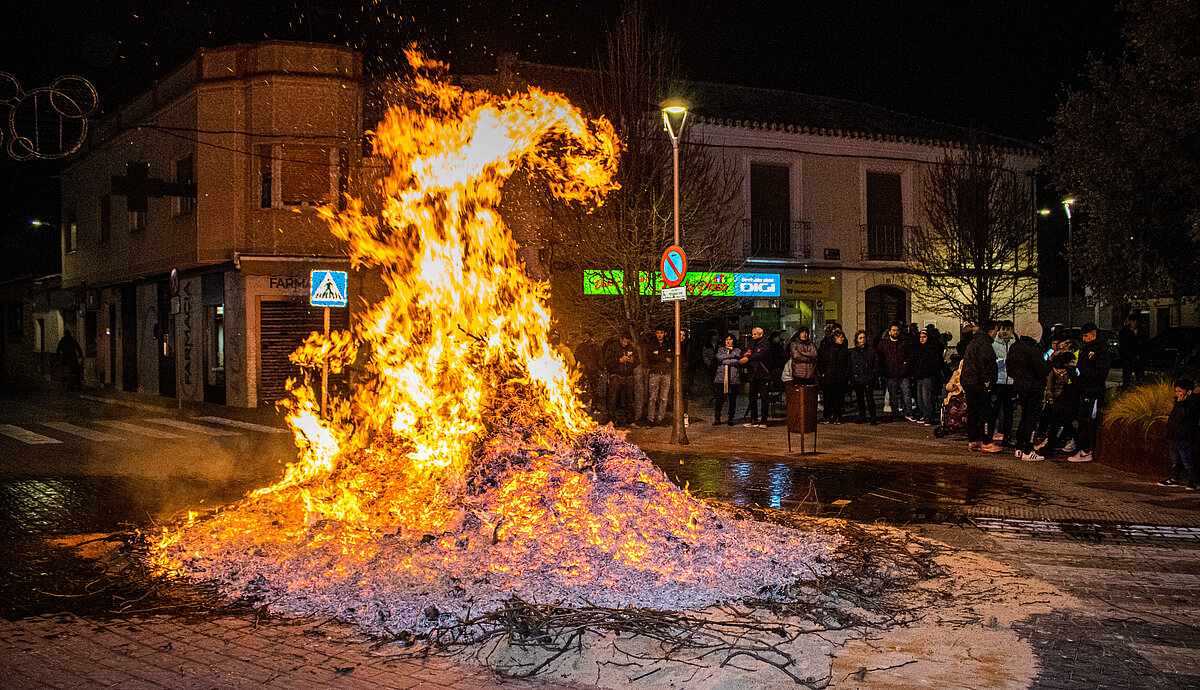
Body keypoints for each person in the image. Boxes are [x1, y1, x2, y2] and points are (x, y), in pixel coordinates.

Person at [1007, 322, 1050, 460]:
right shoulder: (1033, 350)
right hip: (1034, 388)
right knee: (1032, 419)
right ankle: (1028, 450)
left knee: (1024, 417)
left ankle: (1019, 447)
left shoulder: (1015, 347)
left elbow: (1010, 368)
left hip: (1020, 386)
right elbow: (1042, 370)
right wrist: (1049, 362)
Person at [1070, 323, 1111, 462]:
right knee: (1081, 420)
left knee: (1086, 421)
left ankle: (1086, 451)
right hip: (1083, 389)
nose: (1083, 337)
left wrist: (1080, 371)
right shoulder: (1086, 348)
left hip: (1092, 391)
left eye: (1086, 335)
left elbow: (1100, 373)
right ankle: (1082, 448)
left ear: (1093, 334)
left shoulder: (1100, 351)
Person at [961, 319, 1001, 453]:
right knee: (985, 412)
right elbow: (985, 363)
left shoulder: (973, 342)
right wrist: (987, 381)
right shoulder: (984, 343)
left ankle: (973, 441)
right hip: (978, 382)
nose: (996, 333)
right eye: (995, 330)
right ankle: (986, 441)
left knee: (973, 411)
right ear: (990, 331)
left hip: (969, 381)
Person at [1033, 352, 1079, 459]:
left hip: (1070, 404)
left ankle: (1051, 445)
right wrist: (1050, 398)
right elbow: (1050, 386)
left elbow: (1074, 390)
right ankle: (1041, 439)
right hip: (1058, 401)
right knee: (1045, 415)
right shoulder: (1053, 373)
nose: (1059, 372)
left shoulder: (1074, 373)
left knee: (1060, 421)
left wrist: (1070, 373)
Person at [1157, 378, 1199, 490]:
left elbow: (1186, 415)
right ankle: (1174, 478)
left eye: (1180, 391)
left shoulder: (1192, 403)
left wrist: (1181, 403)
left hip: (1184, 437)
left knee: (1187, 460)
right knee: (1175, 460)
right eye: (1176, 391)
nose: (1177, 394)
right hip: (1174, 436)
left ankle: (1193, 481)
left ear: (1188, 392)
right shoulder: (1178, 402)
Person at [876, 321, 915, 422]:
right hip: (890, 373)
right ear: (889, 332)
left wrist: (906, 363)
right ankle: (895, 414)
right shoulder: (884, 344)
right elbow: (879, 357)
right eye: (893, 330)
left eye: (897, 330)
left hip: (903, 373)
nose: (895, 332)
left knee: (906, 393)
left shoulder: (904, 342)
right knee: (893, 395)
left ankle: (909, 413)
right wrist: (883, 369)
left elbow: (911, 354)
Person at [991, 320, 1017, 444]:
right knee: (994, 410)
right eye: (1003, 329)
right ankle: (990, 434)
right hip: (998, 381)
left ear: (1012, 331)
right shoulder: (994, 344)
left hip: (1010, 382)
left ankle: (1007, 435)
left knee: (1008, 411)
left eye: (1008, 329)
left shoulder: (1015, 344)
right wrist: (1000, 363)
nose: (1005, 332)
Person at [817, 329, 850, 423]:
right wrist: (823, 373)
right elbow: (821, 361)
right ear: (835, 338)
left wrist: (845, 375)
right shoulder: (828, 349)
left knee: (838, 399)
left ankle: (837, 417)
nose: (842, 339)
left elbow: (847, 364)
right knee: (828, 398)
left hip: (840, 378)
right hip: (829, 377)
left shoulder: (844, 350)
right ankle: (827, 417)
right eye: (840, 337)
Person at [603, 333, 637, 425]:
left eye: (627, 341)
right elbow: (607, 361)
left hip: (628, 376)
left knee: (629, 399)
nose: (625, 343)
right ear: (620, 339)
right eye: (624, 341)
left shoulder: (632, 348)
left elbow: (637, 361)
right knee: (613, 399)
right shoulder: (613, 347)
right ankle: (611, 421)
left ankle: (630, 421)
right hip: (616, 375)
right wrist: (620, 360)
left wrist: (632, 361)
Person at [912, 328, 943, 426]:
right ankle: (924, 414)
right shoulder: (918, 348)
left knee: (926, 397)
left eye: (924, 337)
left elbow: (934, 363)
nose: (922, 339)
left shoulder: (932, 349)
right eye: (920, 337)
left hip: (927, 375)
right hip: (919, 375)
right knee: (919, 396)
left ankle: (928, 416)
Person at [742, 327, 771, 428]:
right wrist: (746, 355)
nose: (753, 336)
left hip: (763, 375)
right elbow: (749, 352)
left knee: (764, 398)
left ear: (760, 334)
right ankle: (753, 419)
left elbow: (761, 354)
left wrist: (749, 357)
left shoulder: (765, 344)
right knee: (752, 398)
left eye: (755, 334)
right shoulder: (751, 343)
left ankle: (764, 420)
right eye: (752, 334)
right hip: (752, 374)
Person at [850, 330, 879, 425]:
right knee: (860, 398)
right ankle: (862, 416)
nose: (862, 340)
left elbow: (875, 362)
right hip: (858, 378)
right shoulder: (854, 351)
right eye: (860, 338)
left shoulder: (870, 350)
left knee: (869, 397)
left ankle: (873, 417)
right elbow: (851, 364)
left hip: (867, 377)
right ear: (857, 340)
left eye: (864, 338)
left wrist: (873, 373)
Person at [713, 334, 742, 426]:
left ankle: (731, 417)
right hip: (721, 377)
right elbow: (719, 358)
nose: (728, 341)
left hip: (733, 377)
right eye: (726, 339)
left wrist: (726, 359)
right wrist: (731, 357)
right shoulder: (721, 349)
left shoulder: (737, 350)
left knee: (732, 399)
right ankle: (717, 417)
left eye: (730, 339)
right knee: (719, 399)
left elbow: (737, 360)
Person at [646, 327, 673, 426]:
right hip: (655, 373)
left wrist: (658, 354)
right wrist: (664, 356)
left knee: (664, 397)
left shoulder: (668, 343)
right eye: (657, 333)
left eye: (661, 333)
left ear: (665, 333)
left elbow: (671, 356)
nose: (659, 335)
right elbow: (650, 356)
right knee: (652, 397)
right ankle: (651, 419)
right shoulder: (652, 344)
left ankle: (661, 418)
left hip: (666, 373)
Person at [574, 330, 601, 412]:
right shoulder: (580, 346)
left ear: (590, 336)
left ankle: (594, 407)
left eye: (586, 335)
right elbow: (576, 357)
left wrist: (599, 369)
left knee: (593, 390)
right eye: (583, 335)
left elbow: (599, 359)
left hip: (593, 371)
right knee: (581, 389)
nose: (584, 337)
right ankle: (581, 407)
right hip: (583, 371)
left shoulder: (595, 347)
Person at [1118, 315, 1149, 386]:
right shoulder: (1124, 332)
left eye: (1136, 321)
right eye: (1133, 321)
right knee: (1126, 378)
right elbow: (1123, 345)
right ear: (1130, 322)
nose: (1134, 323)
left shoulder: (1142, 332)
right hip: (1128, 359)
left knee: (1139, 379)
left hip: (1138, 359)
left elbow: (1145, 345)